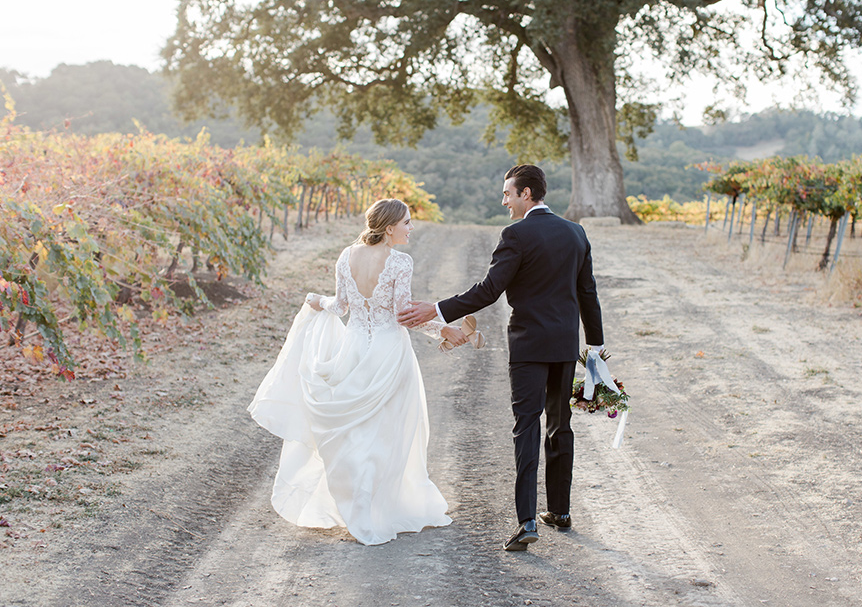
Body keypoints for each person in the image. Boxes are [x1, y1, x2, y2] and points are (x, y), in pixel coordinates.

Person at [398, 165, 604, 551]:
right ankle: (560, 511)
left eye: (507, 193)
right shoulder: (576, 232)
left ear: (526, 194)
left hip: (528, 347)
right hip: (564, 345)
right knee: (561, 425)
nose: (504, 201)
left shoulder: (516, 234)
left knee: (526, 427)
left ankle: (527, 521)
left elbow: (489, 290)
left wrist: (437, 309)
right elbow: (588, 293)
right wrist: (595, 347)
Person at [248, 198, 471, 545]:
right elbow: (403, 315)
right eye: (407, 223)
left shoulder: (346, 255)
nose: (411, 229)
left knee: (355, 432)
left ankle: (358, 507)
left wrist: (317, 301)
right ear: (389, 228)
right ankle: (376, 507)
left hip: (353, 350)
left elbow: (340, 306)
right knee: (386, 433)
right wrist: (443, 329)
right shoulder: (399, 262)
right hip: (388, 352)